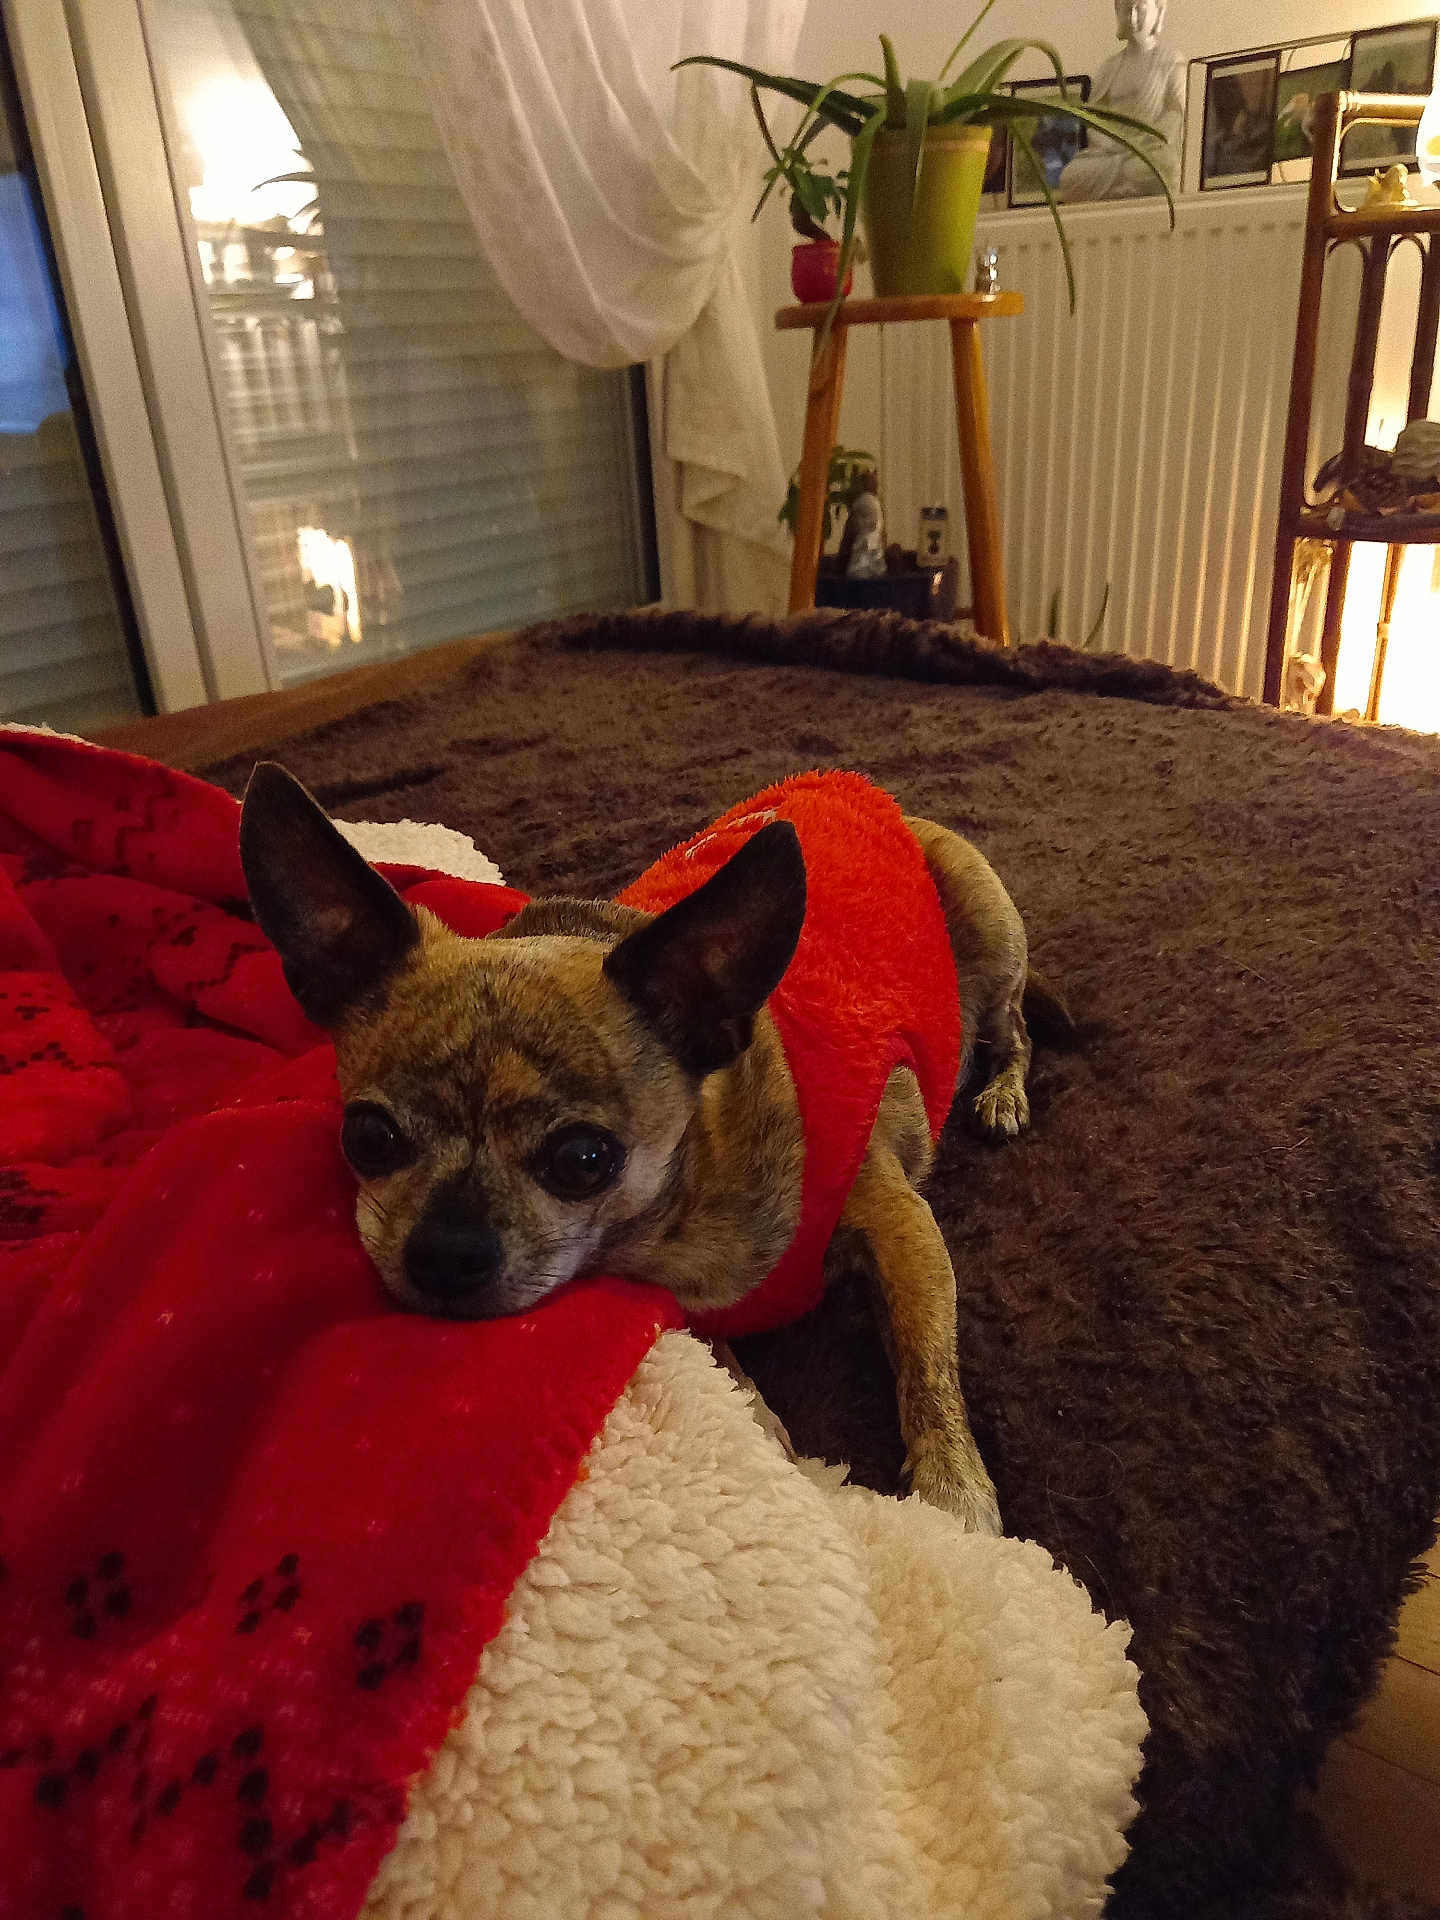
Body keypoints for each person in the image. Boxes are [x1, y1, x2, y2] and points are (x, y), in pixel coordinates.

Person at [1058, 0, 1184, 202]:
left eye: (1140, 10)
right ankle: (1125, 185)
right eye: (1126, 11)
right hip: (1111, 154)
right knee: (1070, 176)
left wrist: (1143, 144)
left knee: (1169, 167)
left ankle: (1126, 184)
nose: (1132, 18)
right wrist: (1112, 146)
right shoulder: (1109, 67)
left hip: (1148, 152)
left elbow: (1175, 113)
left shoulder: (1171, 61)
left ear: (1158, 11)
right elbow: (1094, 122)